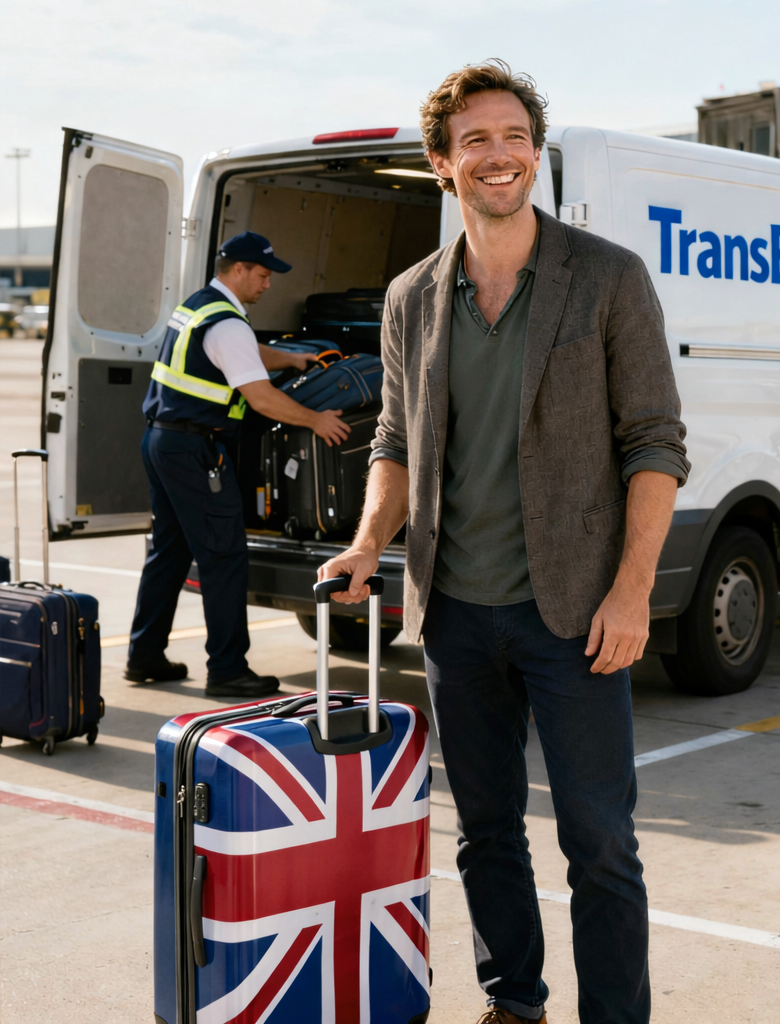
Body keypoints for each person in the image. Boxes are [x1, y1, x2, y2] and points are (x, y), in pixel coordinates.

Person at [319, 62, 689, 1024]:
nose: (500, 155)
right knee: (486, 831)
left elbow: (655, 444)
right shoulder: (412, 297)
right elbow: (396, 441)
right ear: (443, 164)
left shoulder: (606, 277)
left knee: (600, 838)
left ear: (536, 152)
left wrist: (631, 591)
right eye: (477, 140)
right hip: (457, 613)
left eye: (516, 136)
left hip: (576, 615)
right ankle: (512, 1002)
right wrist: (368, 544)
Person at [126, 231, 350, 697]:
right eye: (263, 275)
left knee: (168, 552)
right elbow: (261, 398)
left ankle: (144, 656)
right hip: (196, 451)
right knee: (223, 557)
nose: (267, 285)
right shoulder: (228, 323)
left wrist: (291, 358)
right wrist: (317, 420)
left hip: (162, 441)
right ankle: (227, 670)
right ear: (239, 270)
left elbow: (241, 356)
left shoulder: (201, 306)